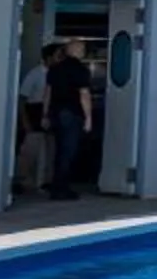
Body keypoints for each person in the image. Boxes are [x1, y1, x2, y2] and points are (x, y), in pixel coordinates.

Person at [43, 38, 98, 200]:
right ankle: (62, 188)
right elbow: (84, 95)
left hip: (56, 113)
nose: (83, 51)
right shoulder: (80, 70)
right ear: (77, 51)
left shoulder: (54, 69)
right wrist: (88, 118)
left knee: (59, 151)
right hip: (72, 114)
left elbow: (47, 93)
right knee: (69, 152)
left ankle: (56, 186)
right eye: (82, 49)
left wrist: (45, 115)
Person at [15, 48, 52, 192]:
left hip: (47, 111)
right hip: (34, 111)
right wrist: (25, 121)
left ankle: (44, 181)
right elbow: (23, 98)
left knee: (49, 150)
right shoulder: (35, 74)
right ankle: (21, 179)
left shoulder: (55, 75)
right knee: (30, 150)